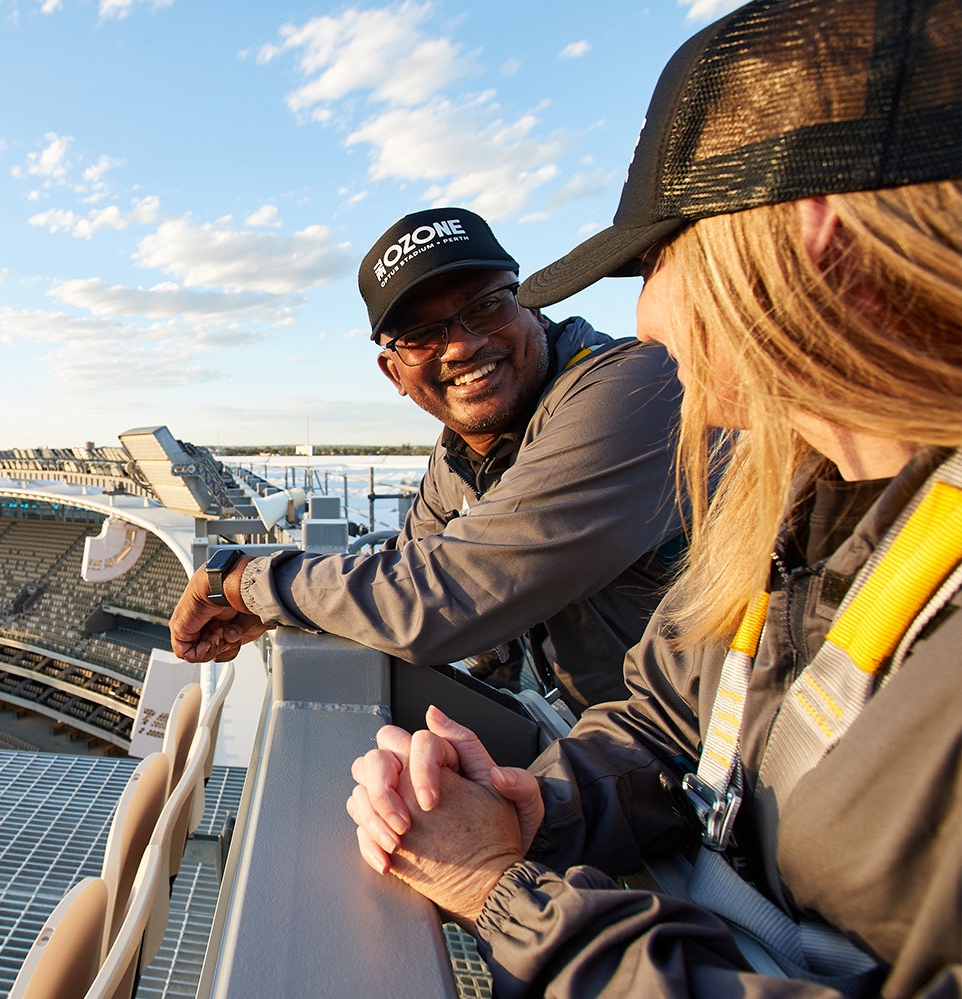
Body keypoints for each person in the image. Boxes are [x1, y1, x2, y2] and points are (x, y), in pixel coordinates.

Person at [346, 0, 961, 994]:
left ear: (808, 240)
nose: (644, 313)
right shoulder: (807, 494)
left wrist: (502, 890)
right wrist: (530, 807)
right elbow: (672, 727)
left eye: (657, 258)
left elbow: (442, 591)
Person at [169, 207, 684, 713]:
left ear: (534, 305)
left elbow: (448, 594)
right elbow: (410, 562)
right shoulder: (463, 446)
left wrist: (248, 582)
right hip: (611, 741)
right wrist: (282, 610)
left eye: (484, 306)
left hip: (716, 766)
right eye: (419, 335)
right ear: (394, 373)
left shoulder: (636, 390)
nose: (460, 346)